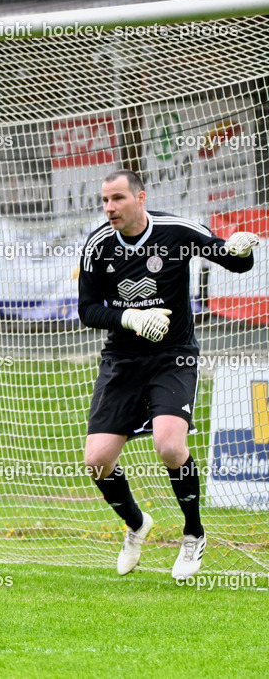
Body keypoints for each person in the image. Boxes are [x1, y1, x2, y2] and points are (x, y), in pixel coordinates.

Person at [78, 169, 258, 580]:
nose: (110, 208)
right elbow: (88, 310)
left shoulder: (176, 231)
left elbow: (230, 259)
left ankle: (193, 534)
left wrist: (241, 252)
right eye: (105, 200)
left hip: (173, 356)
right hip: (122, 360)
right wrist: (132, 318)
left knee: (170, 446)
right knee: (96, 461)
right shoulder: (97, 246)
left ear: (140, 197)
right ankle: (137, 523)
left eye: (118, 199)